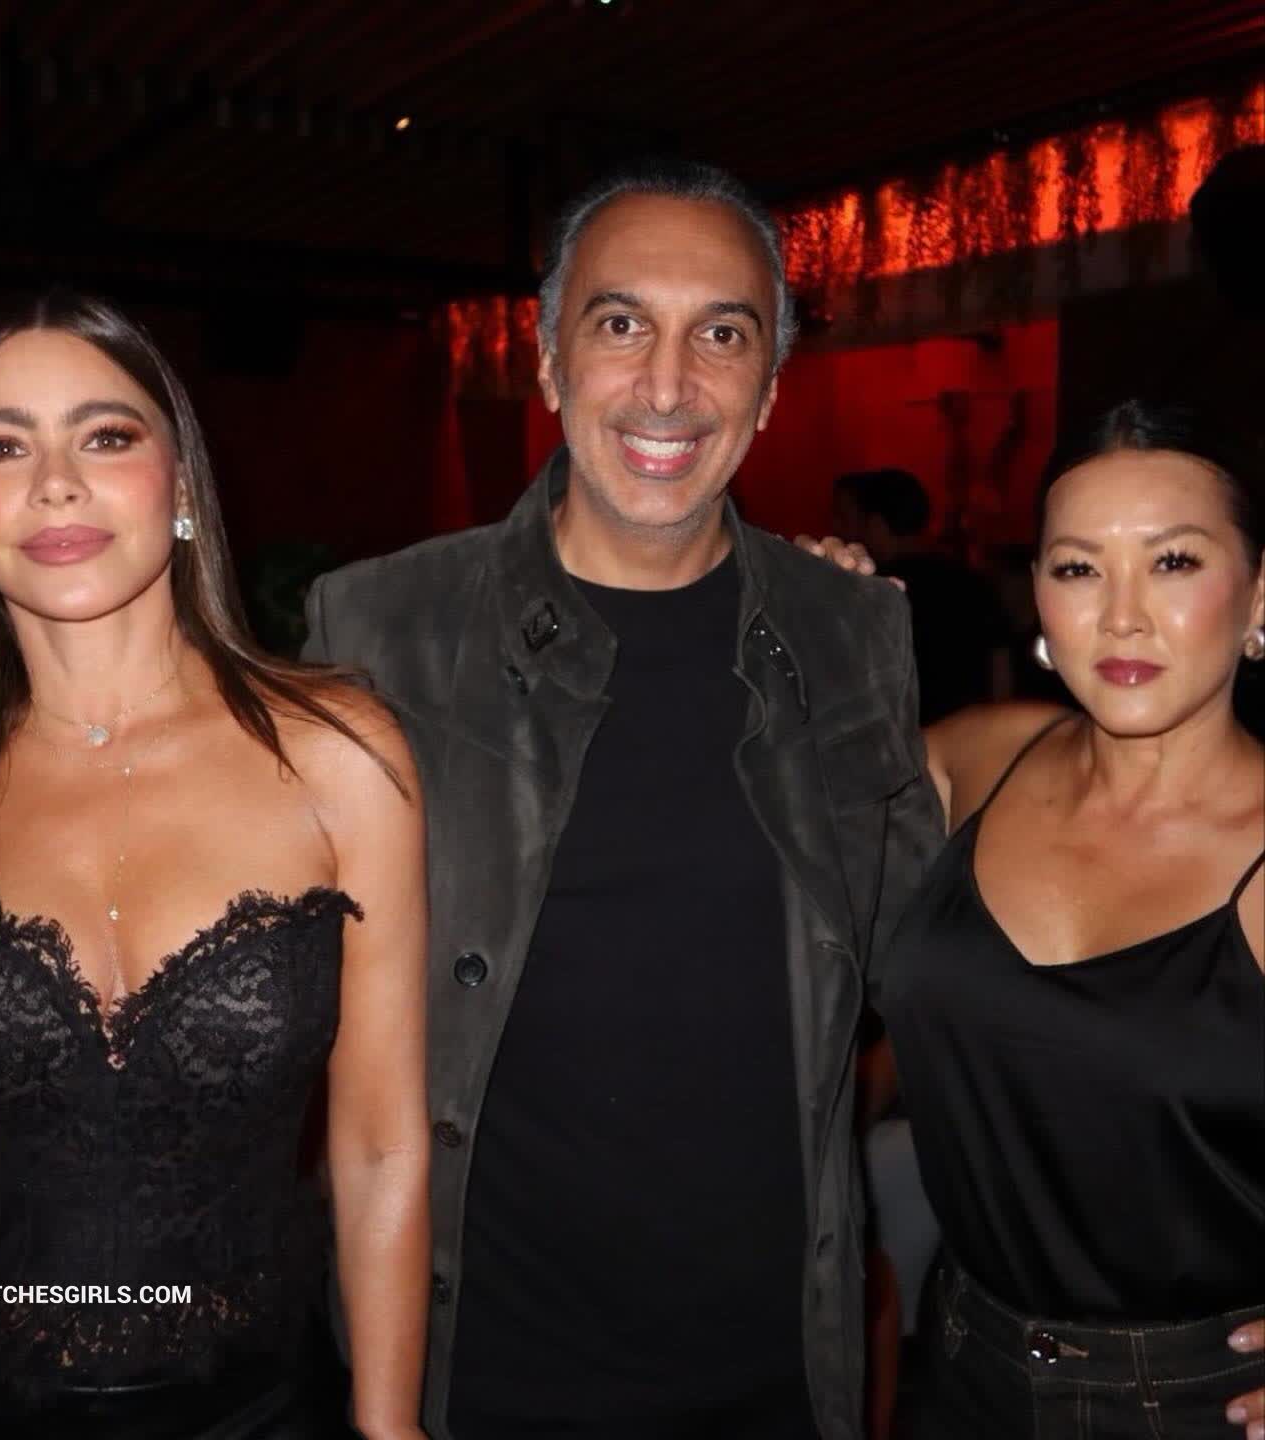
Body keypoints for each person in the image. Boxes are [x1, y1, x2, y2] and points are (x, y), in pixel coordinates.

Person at [302, 160, 941, 1439]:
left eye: (722, 335)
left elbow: (943, 979)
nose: (666, 385)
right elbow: (262, 985)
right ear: (548, 361)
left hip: (774, 1381)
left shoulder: (851, 634)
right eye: (620, 323)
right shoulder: (381, 629)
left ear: (769, 388)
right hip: (477, 1381)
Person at [0, 293, 430, 1440]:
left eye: (104, 436)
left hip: (262, 1407)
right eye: (1, 447)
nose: (55, 484)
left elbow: (381, 1144)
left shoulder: (340, 757)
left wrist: (390, 1427)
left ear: (183, 483)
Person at [878, 400, 1265, 1438]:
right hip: (960, 1374)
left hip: (1198, 1405)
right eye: (1079, 568)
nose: (1122, 616)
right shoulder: (981, 758)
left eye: (1173, 562)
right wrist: (789, 608)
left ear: (1259, 592)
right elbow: (756, 786)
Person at [831, 469, 1012, 724]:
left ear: (876, 524)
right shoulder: (970, 582)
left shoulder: (875, 590)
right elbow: (1000, 667)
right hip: (971, 734)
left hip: (905, 737)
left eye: (852, 521)